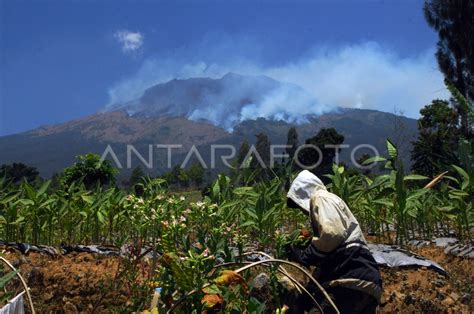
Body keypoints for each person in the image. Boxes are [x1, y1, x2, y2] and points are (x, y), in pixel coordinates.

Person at [285, 170, 382, 313]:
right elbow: (325, 264)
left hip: (349, 279)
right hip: (366, 282)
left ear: (303, 193)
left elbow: (332, 234)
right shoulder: (332, 206)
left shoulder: (320, 197)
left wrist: (306, 254)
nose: (303, 211)